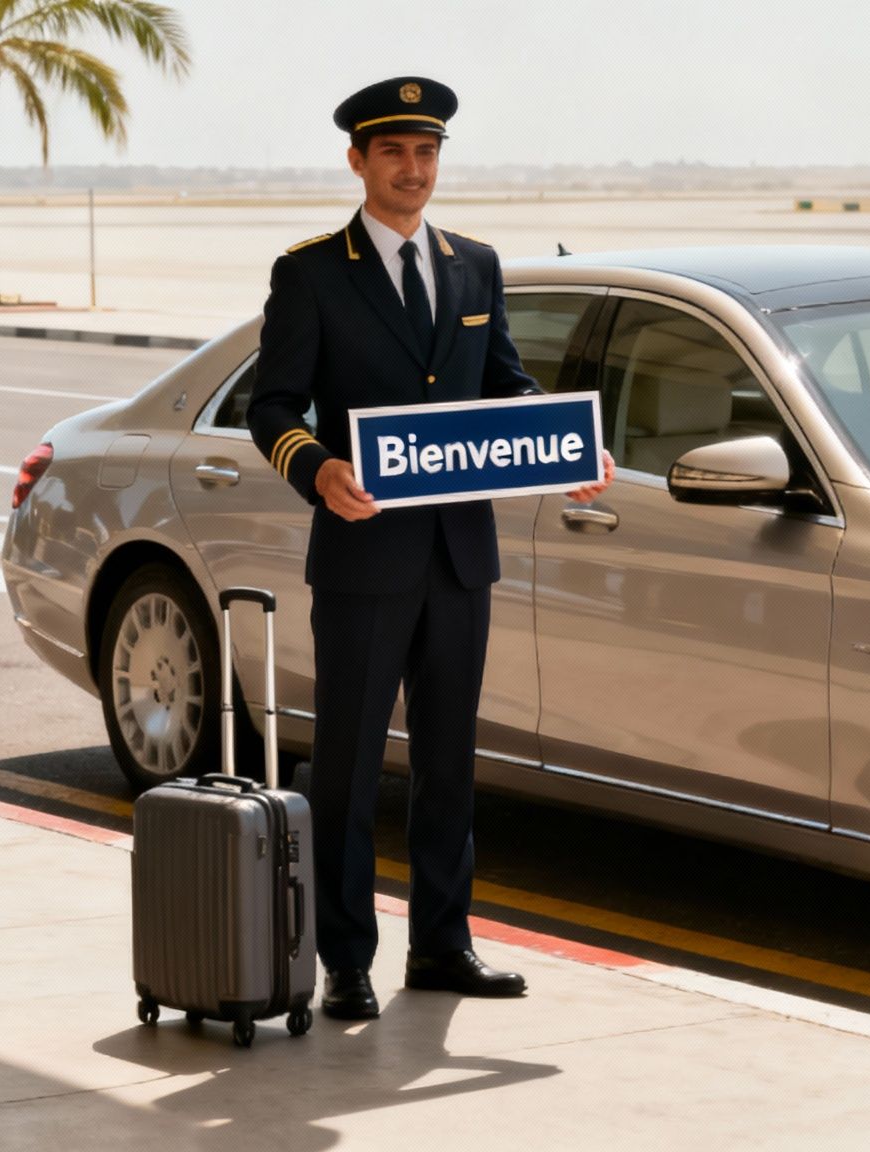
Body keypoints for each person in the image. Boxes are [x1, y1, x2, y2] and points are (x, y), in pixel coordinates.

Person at [247, 76, 614, 1020]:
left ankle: (443, 946)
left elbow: (505, 383)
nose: (414, 170)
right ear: (358, 161)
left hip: (458, 558)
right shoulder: (313, 272)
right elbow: (272, 406)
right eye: (395, 153)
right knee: (353, 767)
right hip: (364, 558)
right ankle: (346, 958)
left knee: (449, 763)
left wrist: (561, 438)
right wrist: (319, 469)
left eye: (428, 152)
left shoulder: (475, 267)